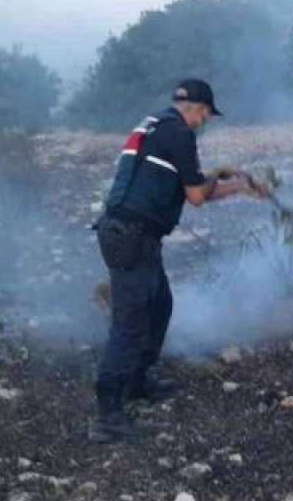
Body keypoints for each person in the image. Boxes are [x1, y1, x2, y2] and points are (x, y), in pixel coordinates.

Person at [90, 79, 268, 443]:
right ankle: (108, 415)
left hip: (129, 233)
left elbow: (193, 190)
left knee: (160, 306)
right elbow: (198, 195)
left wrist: (236, 185)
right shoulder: (180, 134)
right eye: (206, 114)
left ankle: (137, 381)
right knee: (129, 324)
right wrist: (221, 176)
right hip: (132, 236)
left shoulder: (154, 125)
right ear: (198, 108)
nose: (205, 121)